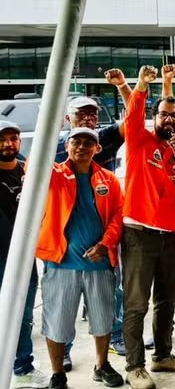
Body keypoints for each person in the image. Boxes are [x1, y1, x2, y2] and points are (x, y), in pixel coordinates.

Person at [120, 65, 175, 389]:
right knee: (136, 302)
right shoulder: (139, 139)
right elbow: (134, 114)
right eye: (164, 114)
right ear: (155, 117)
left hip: (172, 235)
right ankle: (134, 366)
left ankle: (163, 355)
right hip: (139, 233)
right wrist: (140, 86)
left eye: (174, 115)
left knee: (167, 298)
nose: (169, 120)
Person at [37, 127, 125, 389]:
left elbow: (119, 215)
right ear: (67, 144)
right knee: (57, 321)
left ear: (97, 148)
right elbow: (34, 164)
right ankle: (57, 373)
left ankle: (101, 365)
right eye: (77, 141)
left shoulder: (108, 179)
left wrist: (105, 243)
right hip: (60, 263)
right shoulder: (53, 174)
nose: (82, 147)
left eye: (89, 142)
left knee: (103, 319)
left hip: (99, 264)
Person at [1, 120, 48, 389]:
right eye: (3, 139)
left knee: (24, 314)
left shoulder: (27, 172)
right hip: (1, 255)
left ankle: (22, 368)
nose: (8, 144)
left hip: (24, 258)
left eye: (13, 138)